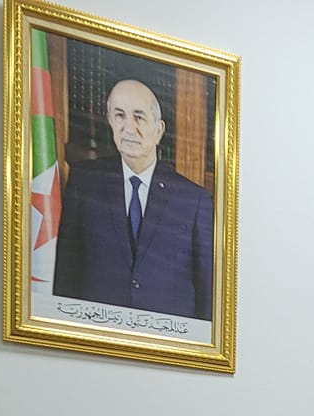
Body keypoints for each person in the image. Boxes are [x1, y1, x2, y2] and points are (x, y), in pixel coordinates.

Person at [52, 78, 216, 321]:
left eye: (139, 117)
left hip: (165, 338)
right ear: (110, 121)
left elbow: (207, 295)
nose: (129, 128)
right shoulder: (85, 183)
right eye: (119, 116)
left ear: (158, 130)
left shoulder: (194, 200)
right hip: (98, 332)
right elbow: (66, 275)